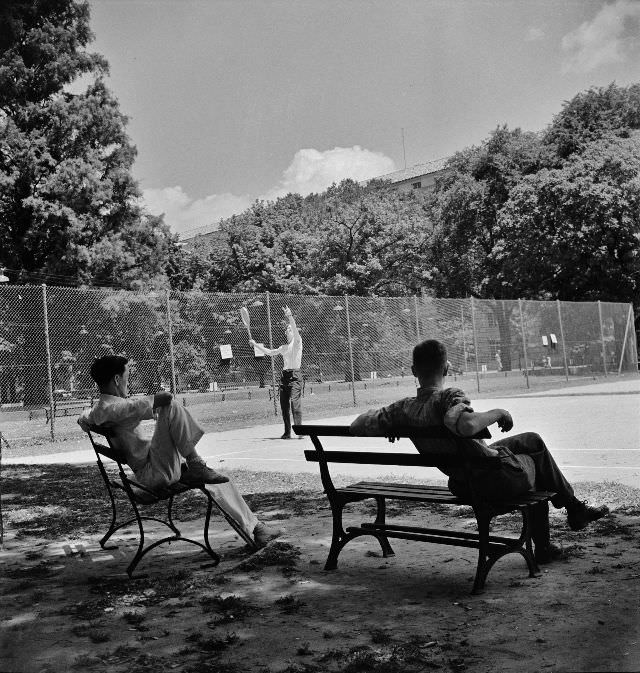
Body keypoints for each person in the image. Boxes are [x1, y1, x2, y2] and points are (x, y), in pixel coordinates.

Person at [350, 339, 609, 564]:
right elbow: (465, 424)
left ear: (413, 371)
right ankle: (554, 534)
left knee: (532, 440)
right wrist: (499, 413)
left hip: (462, 481)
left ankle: (572, 511)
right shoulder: (448, 396)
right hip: (495, 478)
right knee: (535, 462)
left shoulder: (403, 409)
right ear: (447, 368)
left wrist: (394, 425)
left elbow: (357, 425)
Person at [77, 355, 283, 549]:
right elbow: (163, 398)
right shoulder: (116, 409)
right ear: (116, 379)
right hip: (153, 475)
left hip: (151, 467)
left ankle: (257, 528)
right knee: (171, 405)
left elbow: (87, 415)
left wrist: (83, 420)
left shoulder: (101, 409)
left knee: (219, 479)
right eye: (127, 378)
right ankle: (196, 463)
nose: (127, 384)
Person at [250, 306, 303, 439]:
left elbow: (294, 328)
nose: (288, 330)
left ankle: (300, 432)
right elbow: (269, 352)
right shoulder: (283, 347)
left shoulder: (298, 342)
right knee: (284, 406)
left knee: (294, 404)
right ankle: (287, 432)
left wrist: (290, 316)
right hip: (285, 377)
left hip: (295, 376)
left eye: (290, 329)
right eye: (287, 330)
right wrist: (255, 344)